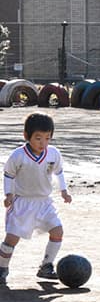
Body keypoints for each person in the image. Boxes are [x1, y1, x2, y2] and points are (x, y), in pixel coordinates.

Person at [0, 112, 72, 285]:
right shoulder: (18, 155)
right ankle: (2, 268)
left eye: (47, 138)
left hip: (45, 202)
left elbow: (59, 172)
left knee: (57, 231)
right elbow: (8, 174)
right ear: (27, 136)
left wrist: (64, 190)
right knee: (12, 238)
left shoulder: (53, 154)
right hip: (22, 202)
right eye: (38, 138)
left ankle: (46, 266)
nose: (43, 143)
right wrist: (8, 194)